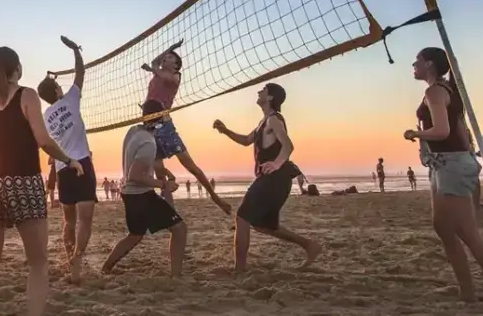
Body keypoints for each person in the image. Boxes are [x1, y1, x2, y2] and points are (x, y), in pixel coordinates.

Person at [0, 47, 84, 316]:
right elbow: (43, 140)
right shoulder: (27, 95)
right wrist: (70, 160)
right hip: (25, 183)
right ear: (16, 68)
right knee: (37, 263)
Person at [404, 48, 483, 303]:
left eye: (416, 61)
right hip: (443, 163)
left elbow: (441, 131)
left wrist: (414, 134)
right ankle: (468, 293)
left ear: (429, 64)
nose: (413, 65)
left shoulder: (436, 91)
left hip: (452, 163)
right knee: (443, 228)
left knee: (466, 231)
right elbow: (457, 128)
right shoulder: (444, 89)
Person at [213, 83, 321, 273]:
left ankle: (239, 269)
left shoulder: (274, 121)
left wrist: (277, 163)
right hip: (274, 179)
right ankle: (309, 246)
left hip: (275, 178)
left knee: (242, 218)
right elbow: (247, 140)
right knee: (264, 226)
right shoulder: (264, 122)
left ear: (270, 97)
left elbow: (288, 145)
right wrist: (225, 130)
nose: (258, 91)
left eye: (263, 90)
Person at [142, 40, 230, 214]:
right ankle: (169, 210)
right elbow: (155, 63)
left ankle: (215, 197)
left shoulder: (175, 76)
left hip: (163, 125)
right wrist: (171, 48)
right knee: (158, 171)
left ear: (175, 65)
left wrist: (154, 69)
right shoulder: (157, 73)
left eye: (168, 58)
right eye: (165, 57)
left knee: (190, 166)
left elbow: (161, 73)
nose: (164, 59)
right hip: (149, 125)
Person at [102, 100, 185, 276]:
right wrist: (164, 184)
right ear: (160, 120)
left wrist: (166, 173)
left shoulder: (134, 131)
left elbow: (144, 165)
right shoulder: (149, 143)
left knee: (135, 235)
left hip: (129, 193)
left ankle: (106, 267)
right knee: (179, 229)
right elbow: (136, 175)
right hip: (141, 195)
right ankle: (176, 275)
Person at [38, 36, 97, 283]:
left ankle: (71, 261)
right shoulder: (70, 99)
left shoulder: (45, 116)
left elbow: (46, 146)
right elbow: (80, 73)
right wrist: (75, 51)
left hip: (63, 169)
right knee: (85, 221)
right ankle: (77, 260)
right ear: (56, 91)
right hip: (81, 163)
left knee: (69, 221)